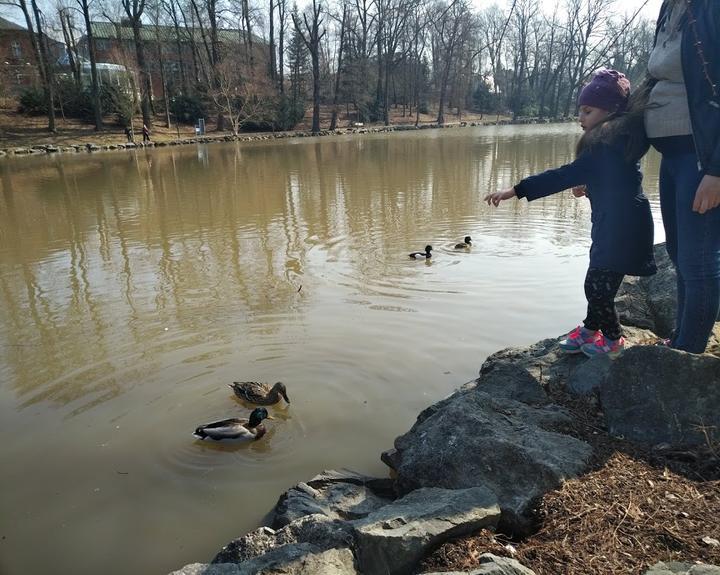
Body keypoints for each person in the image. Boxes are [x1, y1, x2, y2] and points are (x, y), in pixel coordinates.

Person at [484, 69, 656, 359]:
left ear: (611, 110)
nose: (581, 118)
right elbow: (614, 181)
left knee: (597, 286)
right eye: (580, 111)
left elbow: (562, 175)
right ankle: (591, 328)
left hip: (622, 230)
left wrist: (514, 190)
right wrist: (589, 186)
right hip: (612, 226)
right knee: (598, 282)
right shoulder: (612, 142)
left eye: (587, 111)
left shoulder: (609, 143)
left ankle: (613, 338)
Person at [644, 0, 720, 353]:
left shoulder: (711, 8)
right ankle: (680, 338)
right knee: (677, 253)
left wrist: (717, 170)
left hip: (700, 158)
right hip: (673, 156)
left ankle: (689, 353)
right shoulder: (669, 9)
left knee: (698, 260)